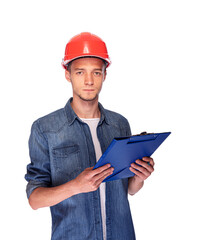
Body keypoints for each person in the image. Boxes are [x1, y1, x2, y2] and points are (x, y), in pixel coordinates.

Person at [25, 32, 154, 240]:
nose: (88, 81)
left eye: (95, 73)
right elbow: (34, 199)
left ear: (104, 75)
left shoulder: (119, 124)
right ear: (67, 75)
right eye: (79, 73)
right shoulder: (44, 128)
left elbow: (129, 190)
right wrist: (76, 186)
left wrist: (139, 177)